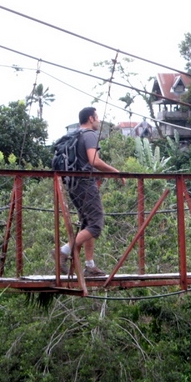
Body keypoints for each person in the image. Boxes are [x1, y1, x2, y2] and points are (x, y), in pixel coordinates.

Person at [53, 107, 124, 276]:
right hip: (85, 184)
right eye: (97, 117)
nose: (98, 120)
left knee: (88, 223)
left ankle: (90, 265)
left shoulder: (75, 136)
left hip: (73, 184)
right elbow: (94, 160)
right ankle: (62, 252)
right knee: (96, 224)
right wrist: (116, 172)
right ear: (91, 118)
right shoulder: (89, 135)